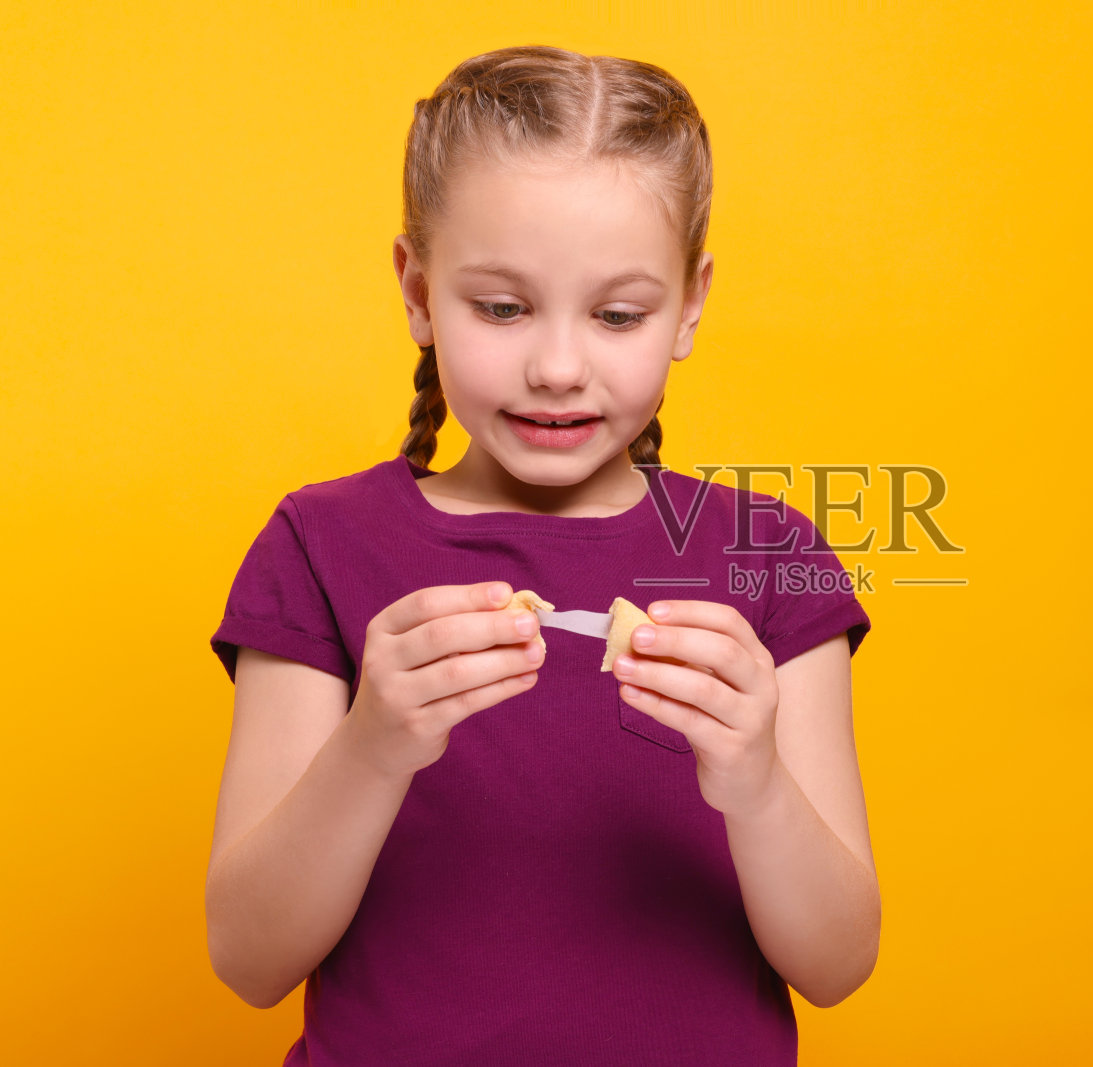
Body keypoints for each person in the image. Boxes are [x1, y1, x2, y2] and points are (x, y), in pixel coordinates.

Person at [205, 45, 877, 1066]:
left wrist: (755, 777)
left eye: (617, 314)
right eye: (503, 307)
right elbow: (249, 959)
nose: (558, 366)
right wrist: (375, 742)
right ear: (418, 289)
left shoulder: (763, 552)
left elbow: (837, 964)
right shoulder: (320, 544)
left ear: (689, 304)